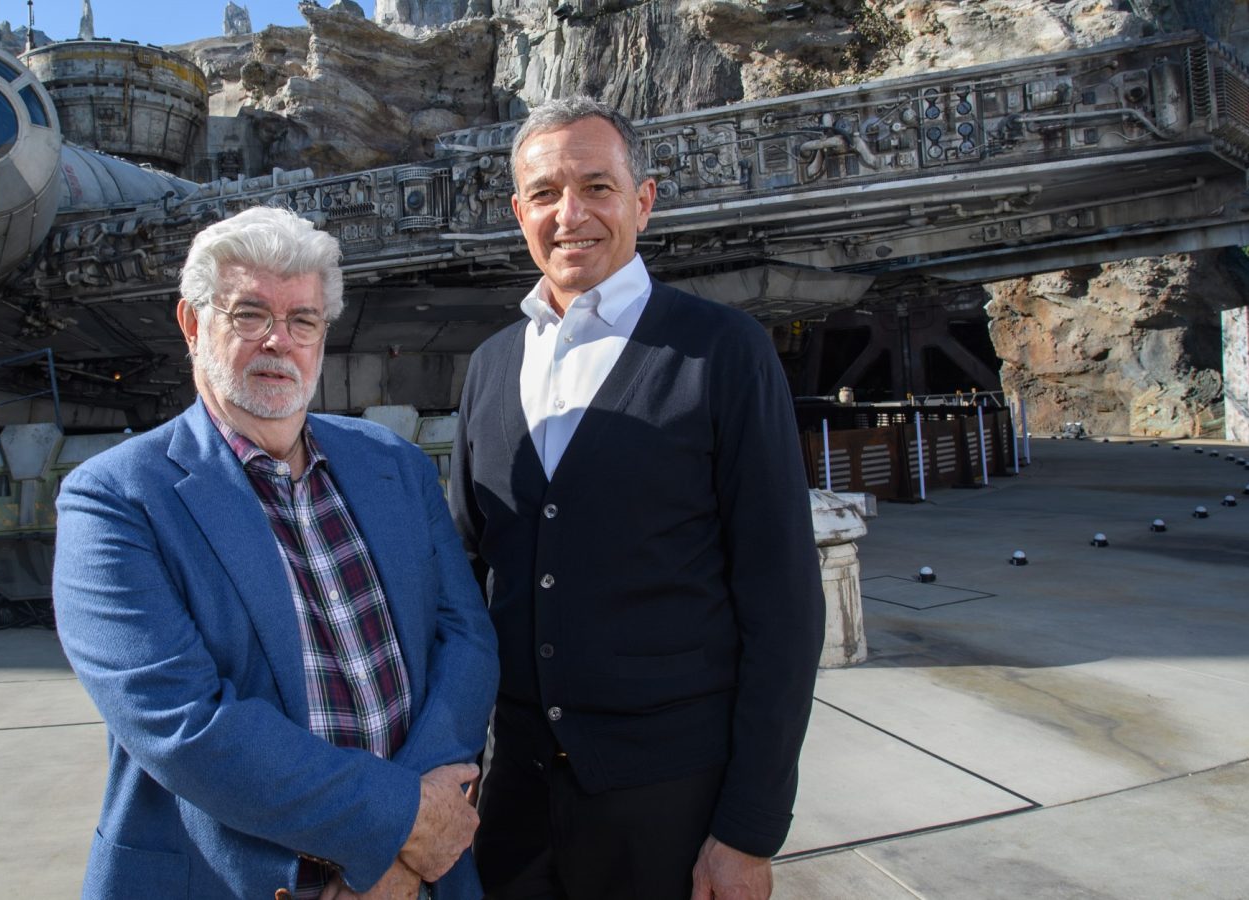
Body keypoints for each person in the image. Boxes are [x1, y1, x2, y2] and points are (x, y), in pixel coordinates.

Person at [54, 206, 499, 900]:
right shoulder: (114, 501)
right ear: (194, 324)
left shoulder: (394, 465)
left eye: (302, 321)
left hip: (425, 877)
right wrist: (394, 829)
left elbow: (465, 640)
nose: (278, 342)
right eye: (249, 314)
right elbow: (186, 725)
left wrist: (417, 841)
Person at [448, 97, 825, 900]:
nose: (570, 214)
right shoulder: (486, 366)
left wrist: (749, 829)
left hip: (669, 804)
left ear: (644, 201)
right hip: (515, 802)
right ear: (519, 212)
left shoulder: (724, 352)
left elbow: (784, 603)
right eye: (545, 193)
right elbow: (464, 579)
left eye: (597, 186)